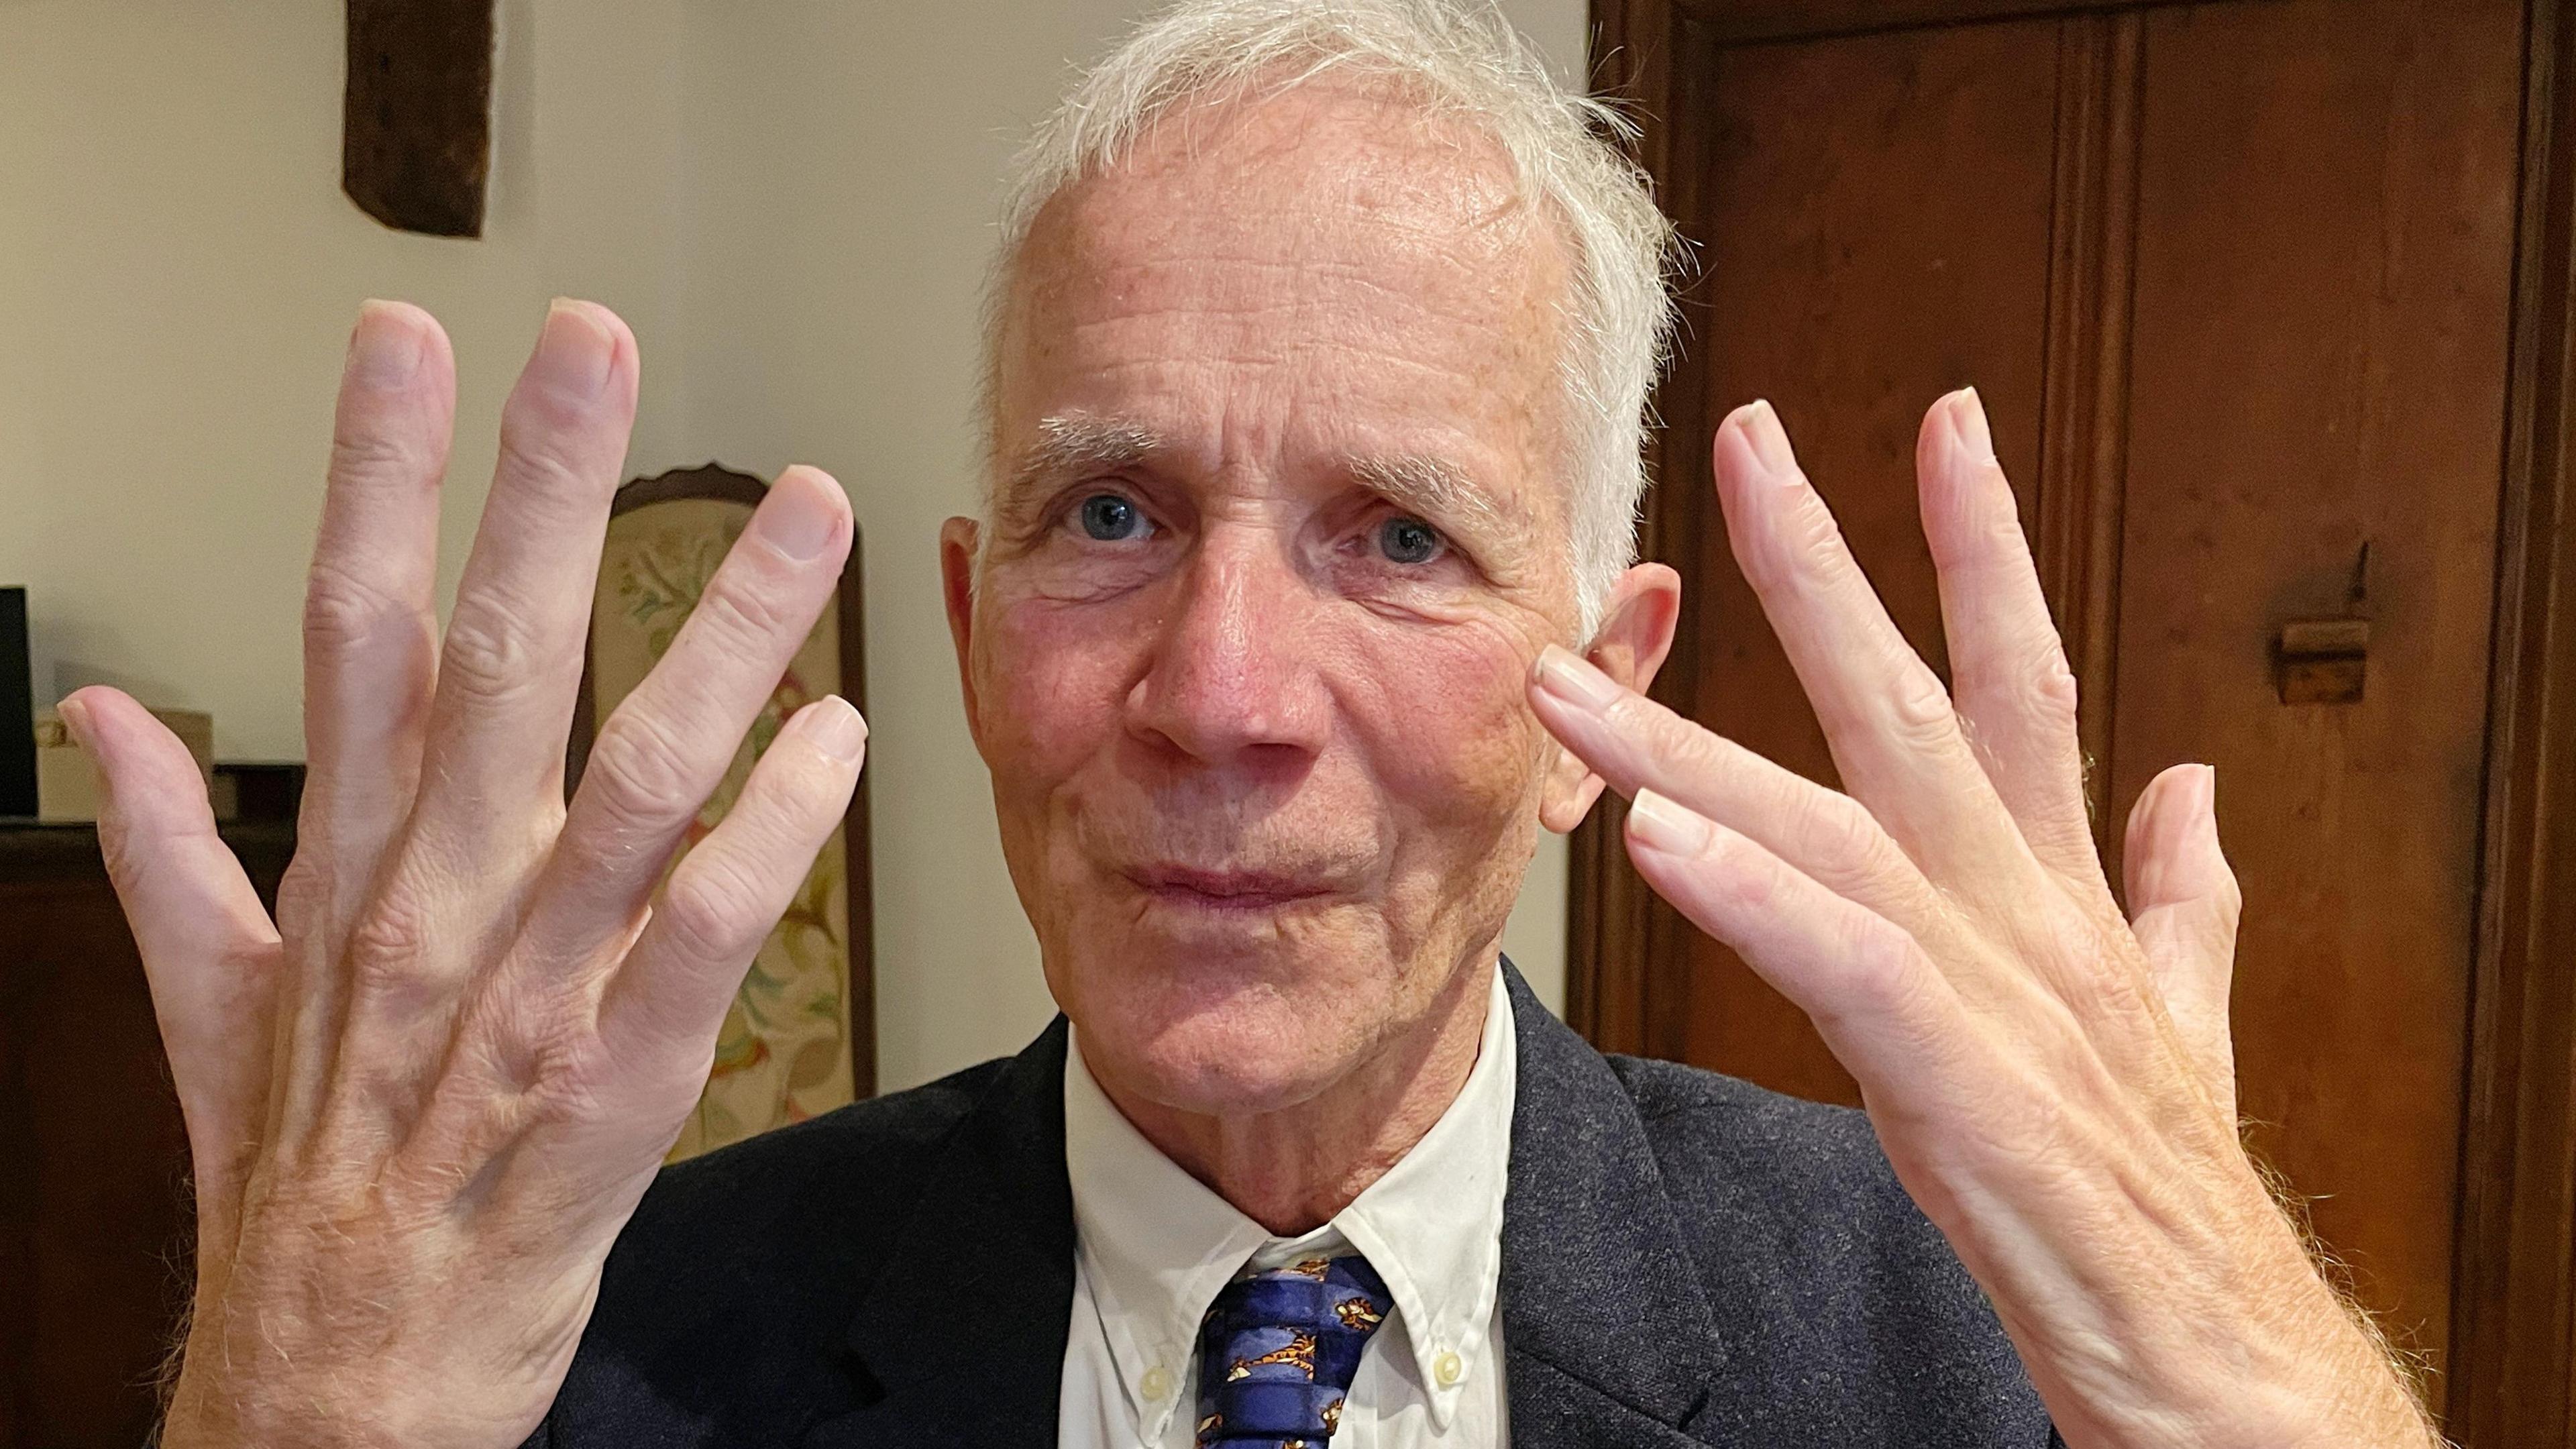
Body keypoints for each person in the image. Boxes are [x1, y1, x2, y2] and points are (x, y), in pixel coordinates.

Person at [64, 1, 2440, 1446]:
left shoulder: (1973, 1345)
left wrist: (2255, 1389)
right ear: (982, 636)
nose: (1214, 696)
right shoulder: (578, 1350)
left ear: (1602, 690)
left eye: (1400, 536)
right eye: (1113, 509)